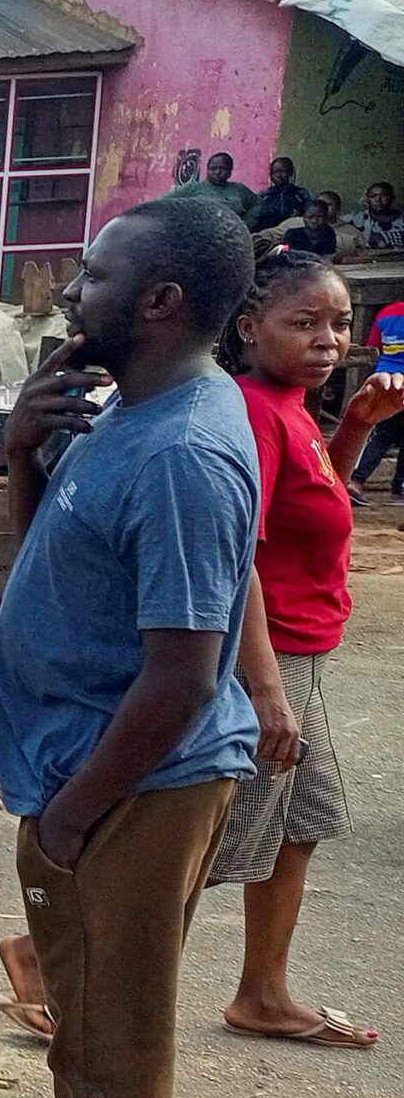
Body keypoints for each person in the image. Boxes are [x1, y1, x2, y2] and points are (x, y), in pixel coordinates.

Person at [0, 197, 261, 1098]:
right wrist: (23, 453)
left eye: (92, 278)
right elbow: (55, 564)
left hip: (131, 779)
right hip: (97, 766)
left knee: (101, 1009)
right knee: (115, 990)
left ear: (161, 301)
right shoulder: (129, 417)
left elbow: (181, 669)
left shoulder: (181, 453)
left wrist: (76, 809)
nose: (72, 298)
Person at [206, 250, 400, 1049]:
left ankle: (263, 993)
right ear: (249, 329)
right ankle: (50, 958)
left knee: (300, 820)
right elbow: (239, 553)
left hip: (301, 653)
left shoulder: (293, 408)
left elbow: (311, 508)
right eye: (305, 322)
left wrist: (353, 427)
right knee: (208, 838)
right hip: (270, 655)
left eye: (341, 324)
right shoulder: (253, 409)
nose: (329, 340)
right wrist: (264, 689)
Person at [349, 291, 404, 497]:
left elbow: (373, 346)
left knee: (383, 435)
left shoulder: (385, 313)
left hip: (384, 379)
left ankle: (357, 480)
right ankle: (399, 484)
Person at [166, 150, 258, 225]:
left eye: (223, 169)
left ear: (230, 172)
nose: (217, 172)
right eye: (213, 169)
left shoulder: (239, 189)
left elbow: (257, 204)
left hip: (231, 237)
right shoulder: (194, 188)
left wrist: (246, 224)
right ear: (207, 170)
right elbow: (165, 203)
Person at [248, 155, 311, 231]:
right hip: (267, 234)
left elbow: (309, 214)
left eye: (282, 171)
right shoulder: (264, 195)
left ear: (290, 172)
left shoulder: (300, 194)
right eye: (275, 172)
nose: (278, 175)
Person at [348, 180, 403, 249]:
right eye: (373, 196)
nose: (377, 200)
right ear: (368, 199)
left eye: (383, 195)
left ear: (392, 197)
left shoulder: (401, 219)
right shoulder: (359, 220)